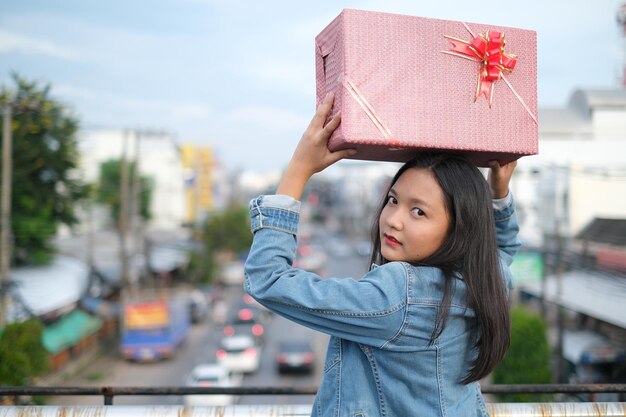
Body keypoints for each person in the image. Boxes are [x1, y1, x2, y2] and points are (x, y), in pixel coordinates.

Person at [244, 92, 521, 417]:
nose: (393, 220)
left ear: (459, 228)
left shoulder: (398, 296)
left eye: (418, 212)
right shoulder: (482, 280)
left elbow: (267, 278)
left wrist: (299, 169)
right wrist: (498, 196)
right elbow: (503, 250)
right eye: (392, 200)